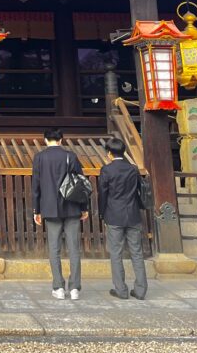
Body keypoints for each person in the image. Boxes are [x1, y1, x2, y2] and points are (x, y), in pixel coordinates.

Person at [32, 128, 88, 300]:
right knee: (73, 248)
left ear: (45, 140)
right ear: (61, 140)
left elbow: (36, 185)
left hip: (49, 207)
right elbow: (81, 182)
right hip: (72, 207)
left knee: (54, 248)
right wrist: (84, 207)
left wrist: (37, 210)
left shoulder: (39, 158)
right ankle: (74, 288)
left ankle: (58, 287)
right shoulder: (70, 156)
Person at [98, 136, 148, 300]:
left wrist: (102, 212)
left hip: (114, 214)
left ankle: (121, 289)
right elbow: (139, 191)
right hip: (133, 213)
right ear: (123, 151)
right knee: (137, 253)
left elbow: (103, 194)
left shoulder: (107, 170)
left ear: (109, 153)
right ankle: (140, 290)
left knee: (116, 253)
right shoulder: (133, 169)